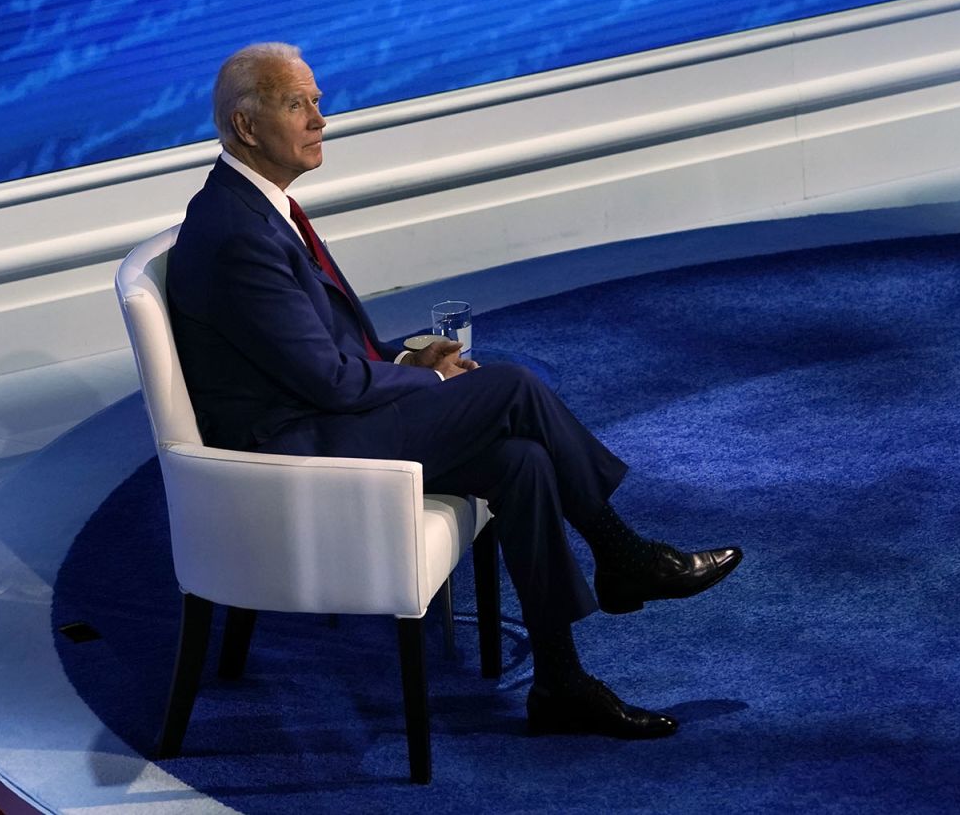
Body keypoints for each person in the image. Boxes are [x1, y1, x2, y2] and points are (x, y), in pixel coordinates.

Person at [165, 42, 742, 739]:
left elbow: (324, 351)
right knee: (512, 389)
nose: (322, 119)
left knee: (523, 463)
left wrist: (408, 353)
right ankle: (626, 555)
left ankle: (560, 682)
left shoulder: (258, 210)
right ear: (245, 127)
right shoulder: (236, 233)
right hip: (295, 451)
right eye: (298, 105)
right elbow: (325, 378)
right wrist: (426, 375)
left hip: (321, 416)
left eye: (317, 101)